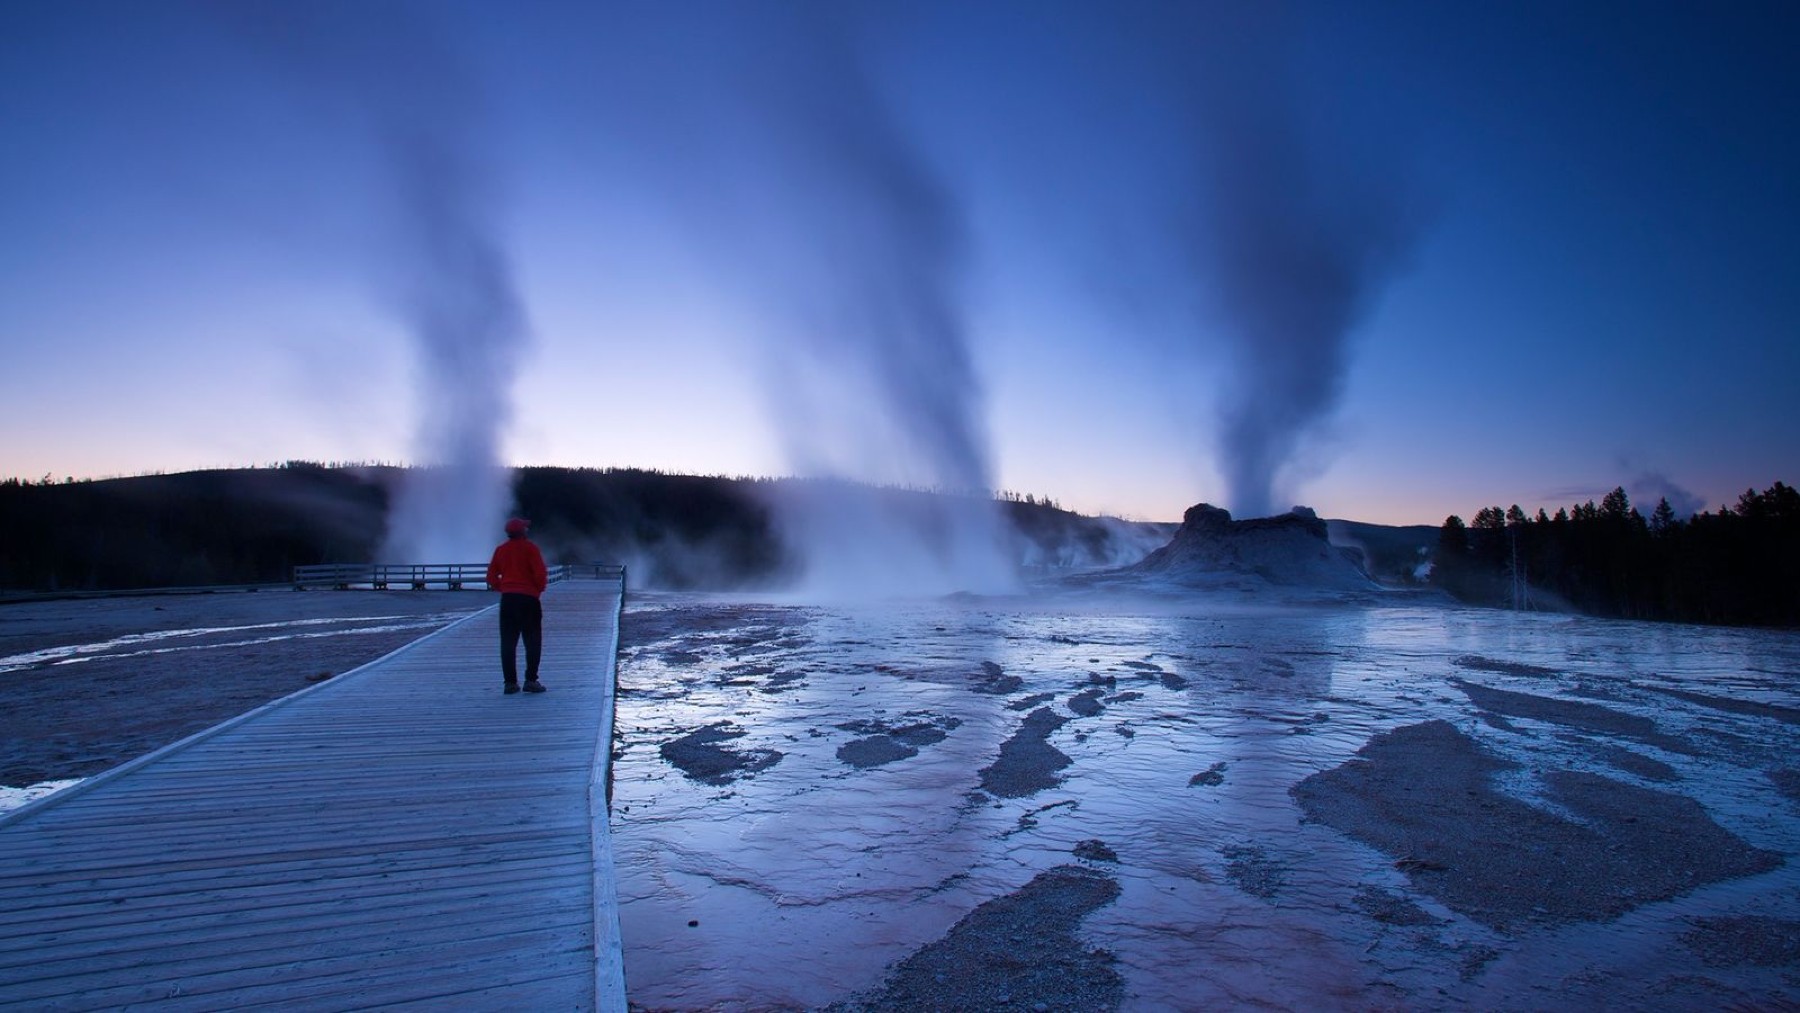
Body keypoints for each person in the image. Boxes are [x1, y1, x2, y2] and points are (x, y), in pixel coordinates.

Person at [486, 516, 548, 694]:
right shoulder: (530, 549)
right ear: (523, 531)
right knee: (533, 641)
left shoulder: (501, 550)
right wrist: (537, 591)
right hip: (528, 600)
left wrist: (503, 588)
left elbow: (491, 577)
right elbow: (540, 574)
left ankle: (510, 683)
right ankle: (531, 680)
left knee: (508, 642)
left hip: (508, 600)